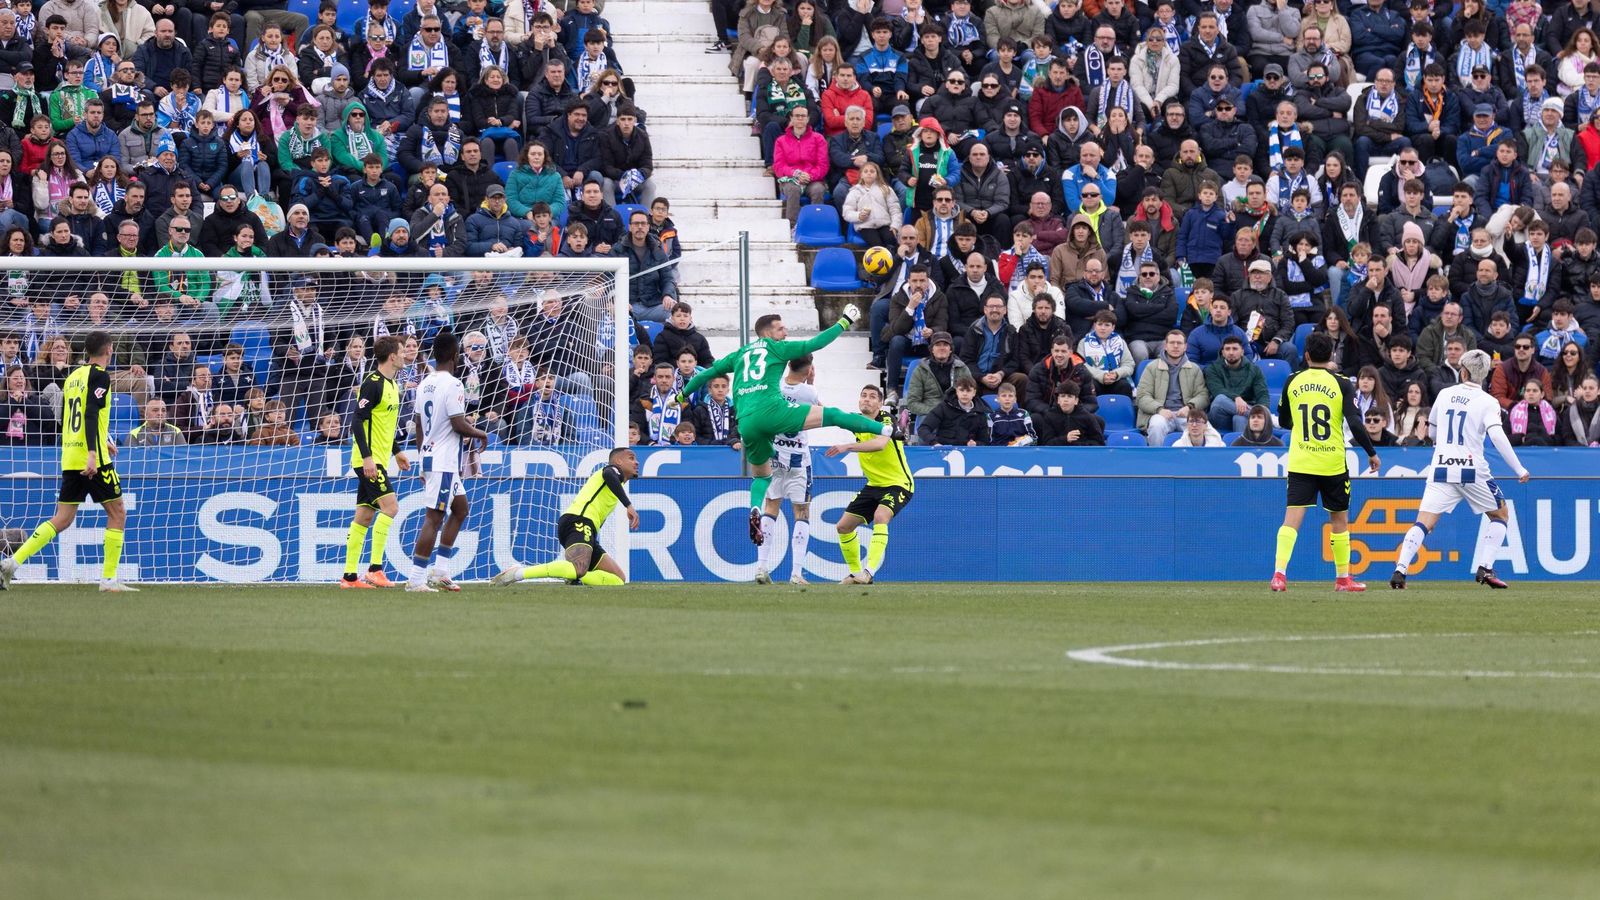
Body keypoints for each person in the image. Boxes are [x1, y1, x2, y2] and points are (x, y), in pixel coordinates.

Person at [675, 307, 895, 546]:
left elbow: (703, 376)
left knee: (761, 476)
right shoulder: (776, 348)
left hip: (746, 422)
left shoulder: (739, 354)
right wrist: (845, 321)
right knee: (832, 414)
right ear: (767, 333)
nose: (785, 331)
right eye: (781, 328)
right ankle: (886, 429)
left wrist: (682, 395)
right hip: (772, 412)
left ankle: (755, 509)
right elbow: (815, 344)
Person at [0, 332, 135, 592]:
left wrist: (98, 442)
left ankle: (11, 563)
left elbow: (71, 415)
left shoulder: (73, 377)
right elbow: (91, 413)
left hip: (71, 454)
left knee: (62, 518)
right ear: (109, 349)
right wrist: (95, 451)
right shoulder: (100, 375)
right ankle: (108, 580)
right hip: (91, 459)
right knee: (117, 513)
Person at [1390, 350, 1531, 590]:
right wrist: (1519, 468)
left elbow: (1432, 432)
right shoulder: (1488, 402)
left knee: (1424, 522)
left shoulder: (1445, 394)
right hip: (1471, 469)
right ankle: (1485, 568)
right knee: (1500, 515)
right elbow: (1496, 435)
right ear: (1484, 375)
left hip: (1441, 467)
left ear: (1463, 371)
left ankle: (1400, 569)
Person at [1271, 331, 1381, 593]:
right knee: (1339, 521)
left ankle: (1279, 575)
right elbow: (1355, 422)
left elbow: (1284, 421)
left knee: (1291, 521)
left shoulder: (1292, 381)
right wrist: (1371, 452)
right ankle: (1343, 579)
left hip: (1301, 461)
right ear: (1331, 355)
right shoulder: (1342, 382)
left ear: (1306, 355)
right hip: (1332, 462)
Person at [407, 330, 488, 593]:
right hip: (442, 460)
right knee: (434, 517)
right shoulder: (453, 384)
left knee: (461, 509)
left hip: (435, 458)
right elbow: (458, 423)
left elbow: (419, 424)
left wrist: (421, 457)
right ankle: (416, 580)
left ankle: (440, 571)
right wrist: (480, 432)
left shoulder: (424, 383)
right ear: (456, 355)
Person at [494, 447, 640, 587]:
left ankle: (574, 577)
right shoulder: (612, 470)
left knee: (618, 578)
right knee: (578, 568)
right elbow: (608, 474)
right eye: (631, 458)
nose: (636, 462)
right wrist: (628, 505)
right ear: (618, 462)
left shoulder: (615, 482)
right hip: (579, 521)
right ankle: (518, 573)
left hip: (586, 529)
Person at [340, 335, 412, 589]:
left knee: (364, 516)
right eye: (402, 351)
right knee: (391, 508)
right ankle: (375, 569)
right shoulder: (372, 383)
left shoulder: (394, 385)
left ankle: (349, 577)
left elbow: (383, 424)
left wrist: (396, 451)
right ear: (392, 356)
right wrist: (368, 458)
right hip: (368, 460)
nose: (405, 355)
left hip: (380, 457)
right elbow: (357, 420)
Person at [825, 383, 912, 585]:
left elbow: (880, 444)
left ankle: (869, 572)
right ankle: (856, 574)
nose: (867, 399)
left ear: (880, 403)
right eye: (863, 395)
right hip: (873, 485)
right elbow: (830, 415)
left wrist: (847, 446)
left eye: (873, 396)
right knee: (843, 527)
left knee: (880, 516)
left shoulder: (886, 420)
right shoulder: (857, 421)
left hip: (898, 484)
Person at [755, 355, 819, 586]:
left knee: (771, 507)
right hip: (798, 460)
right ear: (809, 369)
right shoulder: (808, 394)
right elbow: (820, 414)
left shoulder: (774, 388)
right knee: (801, 512)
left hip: (774, 456)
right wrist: (810, 384)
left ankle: (761, 567)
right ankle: (796, 573)